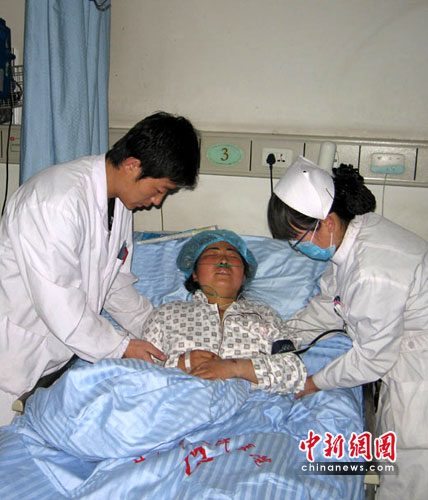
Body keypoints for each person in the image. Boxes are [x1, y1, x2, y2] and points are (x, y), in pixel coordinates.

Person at [0, 111, 200, 426]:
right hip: (13, 360)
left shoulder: (119, 202)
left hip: (55, 358)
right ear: (132, 165)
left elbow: (116, 284)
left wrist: (159, 330)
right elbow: (61, 305)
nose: (157, 201)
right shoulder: (54, 203)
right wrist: (121, 347)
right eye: (159, 189)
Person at [267, 155, 428, 500]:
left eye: (297, 238)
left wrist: (314, 382)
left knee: (409, 470)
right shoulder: (351, 239)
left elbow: (371, 359)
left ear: (327, 222)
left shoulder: (371, 270)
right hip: (405, 351)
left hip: (420, 370)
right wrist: (287, 334)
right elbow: (331, 302)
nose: (297, 248)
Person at [141, 229, 306, 394]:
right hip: (179, 397)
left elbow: (294, 371)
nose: (223, 260)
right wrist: (181, 364)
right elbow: (141, 373)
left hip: (252, 403)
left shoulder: (265, 316)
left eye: (233, 256)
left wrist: (235, 368)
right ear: (194, 274)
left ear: (243, 275)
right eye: (211, 254)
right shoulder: (166, 314)